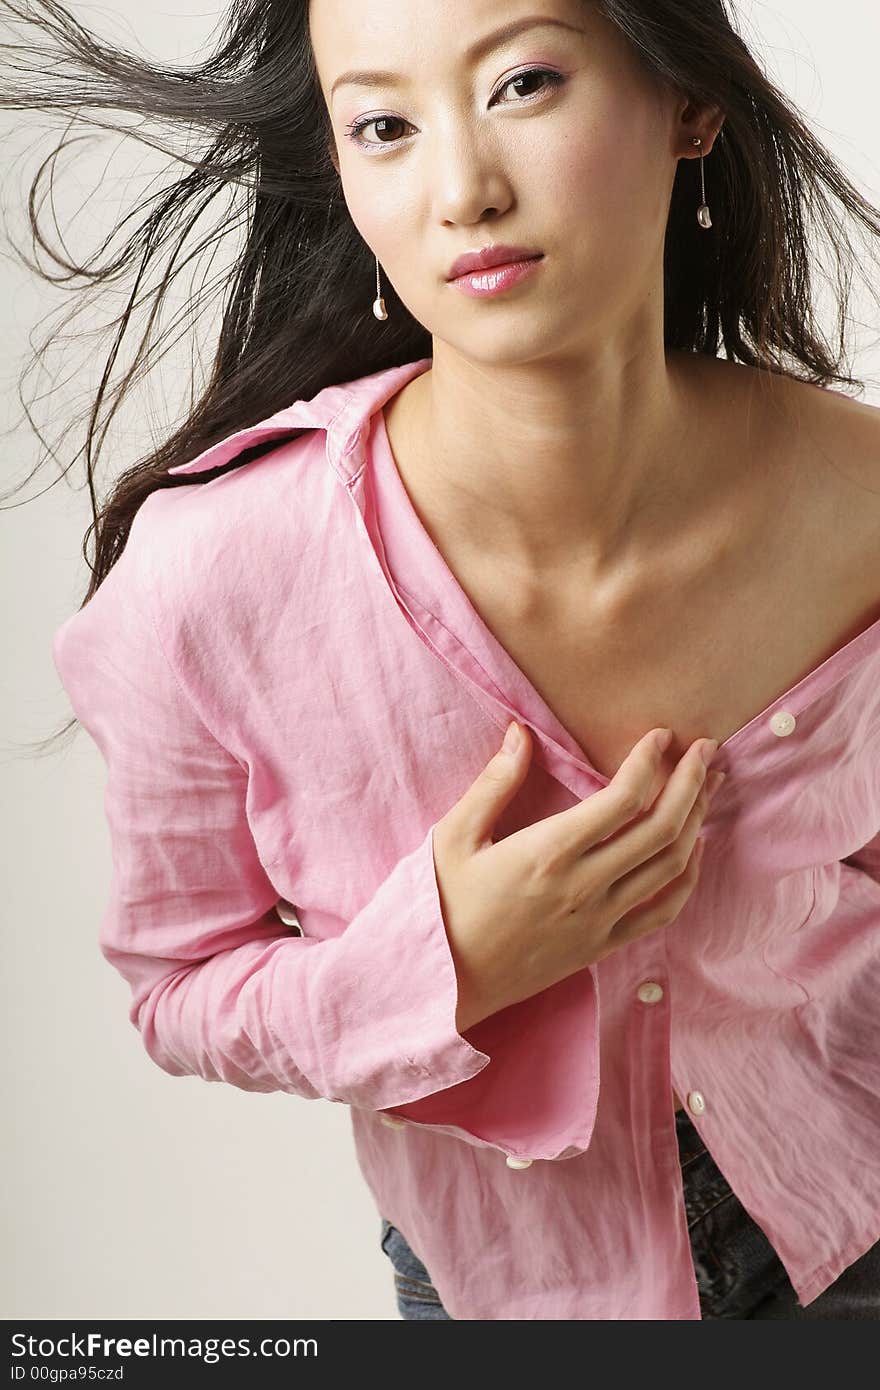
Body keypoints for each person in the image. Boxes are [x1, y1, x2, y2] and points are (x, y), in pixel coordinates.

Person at [7, 0, 880, 1319]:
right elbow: (178, 988)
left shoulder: (862, 497)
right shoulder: (211, 578)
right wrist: (450, 958)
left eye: (524, 83)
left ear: (690, 103)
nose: (464, 187)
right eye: (384, 125)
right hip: (497, 1288)